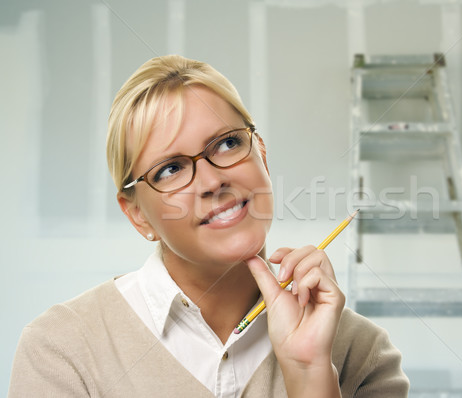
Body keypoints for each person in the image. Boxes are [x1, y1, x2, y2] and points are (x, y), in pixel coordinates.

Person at [8, 55, 409, 397]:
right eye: (171, 169)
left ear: (262, 158)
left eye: (227, 144)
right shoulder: (62, 351)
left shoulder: (362, 353)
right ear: (138, 215)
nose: (213, 181)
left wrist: (309, 377)